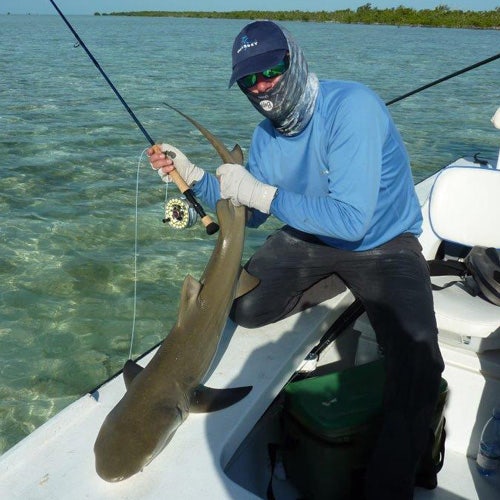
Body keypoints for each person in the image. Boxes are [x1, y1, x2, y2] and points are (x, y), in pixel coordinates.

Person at [149, 20, 444, 500]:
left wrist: (261, 191)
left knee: (419, 363)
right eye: (250, 80)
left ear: (295, 58)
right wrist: (195, 175)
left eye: (272, 69)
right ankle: (336, 281)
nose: (262, 86)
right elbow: (253, 212)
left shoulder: (354, 108)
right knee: (245, 309)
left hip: (384, 244)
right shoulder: (265, 137)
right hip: (308, 237)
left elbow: (351, 221)